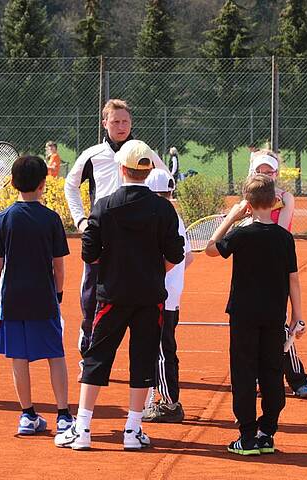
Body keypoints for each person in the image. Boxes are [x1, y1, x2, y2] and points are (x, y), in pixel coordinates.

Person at [55, 140, 184, 451]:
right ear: (149, 169)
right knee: (143, 359)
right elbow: (175, 254)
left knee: (97, 357)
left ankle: (83, 428)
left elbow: (89, 253)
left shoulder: (105, 205)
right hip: (149, 295)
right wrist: (152, 271)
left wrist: (113, 268)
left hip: (111, 294)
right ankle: (132, 430)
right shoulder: (163, 209)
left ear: (121, 168)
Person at [205, 174, 305, 456]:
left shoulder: (241, 233)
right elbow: (293, 280)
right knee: (272, 370)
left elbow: (211, 248)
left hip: (244, 313)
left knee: (244, 372)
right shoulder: (284, 237)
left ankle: (247, 435)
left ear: (247, 204)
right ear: (274, 202)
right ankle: (267, 431)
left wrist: (231, 218)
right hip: (274, 314)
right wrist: (298, 315)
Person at [64, 99, 169, 361]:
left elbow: (165, 180)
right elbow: (70, 185)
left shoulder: (144, 152)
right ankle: (88, 336)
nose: (121, 126)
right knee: (92, 289)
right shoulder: (93, 154)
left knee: (141, 292)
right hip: (103, 234)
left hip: (140, 237)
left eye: (125, 121)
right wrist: (81, 221)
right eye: (115, 122)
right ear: (105, 123)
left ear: (131, 123)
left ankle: (147, 353)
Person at [0, 155, 73, 436]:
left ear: (13, 183)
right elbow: (59, 266)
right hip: (43, 298)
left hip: (13, 300)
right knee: (55, 355)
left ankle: (27, 415)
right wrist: (57, 296)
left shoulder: (2, 219)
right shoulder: (51, 219)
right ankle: (64, 416)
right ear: (44, 183)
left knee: (18, 357)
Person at [248, 150, 307, 398]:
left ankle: (298, 379)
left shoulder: (286, 197)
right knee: (252, 327)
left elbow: (279, 230)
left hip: (279, 264)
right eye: (260, 171)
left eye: (269, 171)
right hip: (251, 270)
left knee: (279, 326)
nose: (265, 175)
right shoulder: (248, 200)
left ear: (276, 174)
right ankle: (255, 378)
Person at [142, 169, 194, 423]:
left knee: (162, 349)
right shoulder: (175, 216)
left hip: (160, 293)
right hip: (170, 294)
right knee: (163, 347)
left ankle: (170, 404)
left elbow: (174, 259)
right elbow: (188, 257)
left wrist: (153, 273)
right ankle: (164, 398)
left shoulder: (158, 217)